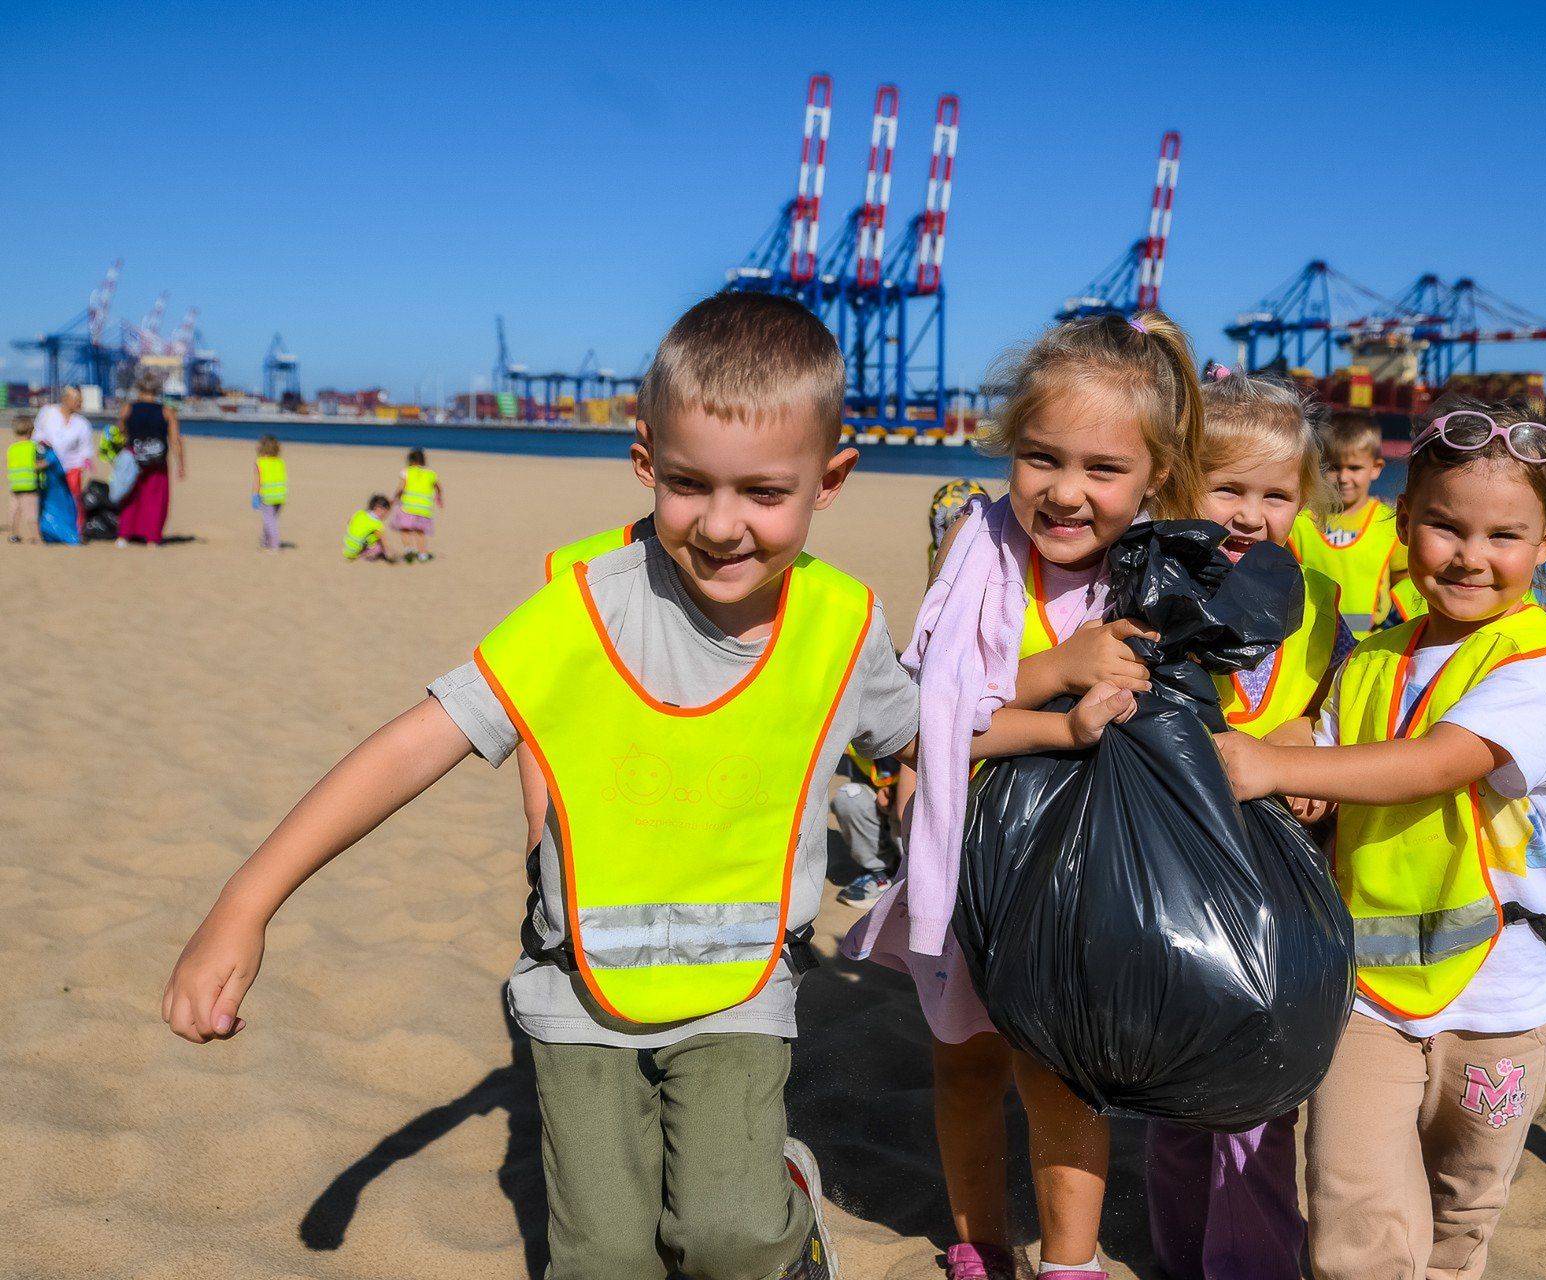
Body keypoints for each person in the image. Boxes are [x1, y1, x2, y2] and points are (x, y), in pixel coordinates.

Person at [163, 292, 947, 1280]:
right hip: (579, 990)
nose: (719, 523)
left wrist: (1054, 700)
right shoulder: (580, 607)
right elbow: (414, 744)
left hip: (740, 987)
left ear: (830, 479)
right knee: (609, 1257)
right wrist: (246, 902)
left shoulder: (840, 625)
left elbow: (930, 728)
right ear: (643, 459)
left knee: (728, 1235)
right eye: (687, 482)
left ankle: (783, 1200)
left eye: (761, 491)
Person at [844, 310, 1204, 1280]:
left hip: (1085, 889)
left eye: (1102, 468)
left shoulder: (1160, 577)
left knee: (1059, 1077)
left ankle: (1073, 1260)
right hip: (971, 867)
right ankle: (979, 1240)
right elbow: (927, 717)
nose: (1066, 491)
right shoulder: (980, 550)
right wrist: (1056, 672)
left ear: (1155, 476)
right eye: (1041, 457)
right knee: (962, 1062)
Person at [1214, 399, 1546, 1280]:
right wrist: (1286, 766)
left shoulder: (1541, 662)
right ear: (1404, 522)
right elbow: (1329, 746)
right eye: (1446, 527)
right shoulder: (1371, 652)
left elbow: (1437, 761)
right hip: (1367, 991)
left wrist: (1276, 769)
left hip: (1500, 997)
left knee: (1464, 1197)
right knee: (1354, 1207)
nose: (1469, 555)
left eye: (1504, 535)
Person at [1144, 364, 1349, 1280]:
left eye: (1275, 494)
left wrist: (1311, 742)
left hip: (1278, 892)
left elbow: (1346, 706)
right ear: (1179, 483)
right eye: (1226, 487)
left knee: (1256, 1105)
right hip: (1178, 885)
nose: (1249, 514)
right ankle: (1186, 1255)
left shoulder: (1321, 609)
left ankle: (1248, 1263)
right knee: (1182, 1100)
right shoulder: (1150, 590)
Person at [1290, 410, 1405, 637]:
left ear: (1376, 468)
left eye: (1354, 468)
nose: (1343, 478)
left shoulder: (1390, 524)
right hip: (1309, 642)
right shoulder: (1298, 523)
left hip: (1367, 646)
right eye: (1333, 467)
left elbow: (1405, 586)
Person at [116, 367, 185, 546]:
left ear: (139, 389)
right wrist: (181, 465)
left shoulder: (127, 408)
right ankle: (152, 538)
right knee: (155, 499)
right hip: (157, 460)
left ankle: (124, 535)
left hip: (133, 456)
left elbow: (120, 432)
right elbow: (175, 440)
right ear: (157, 391)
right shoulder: (167, 411)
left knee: (130, 496)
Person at [830, 749, 902, 905]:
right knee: (850, 796)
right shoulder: (858, 742)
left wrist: (899, 791)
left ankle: (913, 879)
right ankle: (879, 872)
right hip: (884, 813)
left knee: (908, 806)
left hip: (914, 816)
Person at [32, 386, 92, 536]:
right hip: (48, 466)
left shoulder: (83, 423)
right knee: (48, 499)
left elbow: (86, 451)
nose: (80, 403)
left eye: (81, 400)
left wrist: (85, 469)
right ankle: (49, 530)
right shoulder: (48, 412)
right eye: (77, 400)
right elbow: (37, 436)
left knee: (73, 499)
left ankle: (75, 531)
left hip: (72, 467)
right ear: (65, 399)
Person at [392, 447, 442, 561]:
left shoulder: (407, 471)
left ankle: (408, 550)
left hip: (408, 507)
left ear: (410, 460)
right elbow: (438, 487)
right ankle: (423, 554)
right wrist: (439, 496)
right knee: (420, 532)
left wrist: (395, 497)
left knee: (405, 529)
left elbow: (401, 487)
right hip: (424, 508)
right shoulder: (431, 473)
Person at [8, 416, 48, 543]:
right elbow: (39, 463)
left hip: (15, 485)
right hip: (30, 486)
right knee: (31, 514)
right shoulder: (34, 446)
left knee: (15, 512)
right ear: (31, 431)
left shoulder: (12, 448)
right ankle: (37, 537)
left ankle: (12, 535)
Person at [254, 435, 288, 552]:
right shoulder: (280, 462)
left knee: (270, 521)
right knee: (270, 520)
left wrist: (255, 495)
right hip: (280, 496)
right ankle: (265, 542)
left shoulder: (260, 463)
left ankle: (274, 545)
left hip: (267, 497)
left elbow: (258, 481)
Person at [342, 495, 391, 561]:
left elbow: (349, 522)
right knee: (378, 543)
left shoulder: (360, 513)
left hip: (347, 546)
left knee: (365, 531)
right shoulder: (378, 524)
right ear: (379, 509)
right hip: (356, 550)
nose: (386, 515)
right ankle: (365, 553)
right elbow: (383, 541)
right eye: (386, 512)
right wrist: (389, 552)